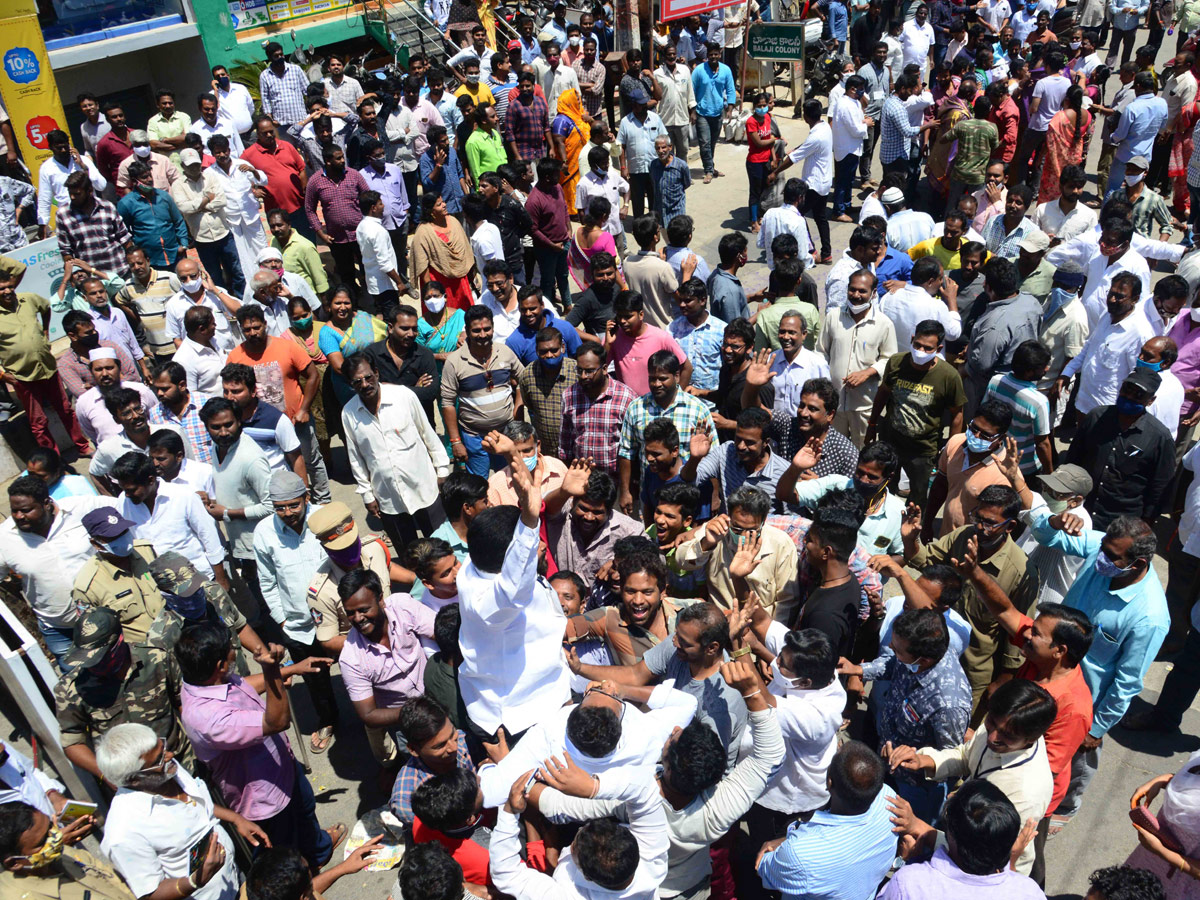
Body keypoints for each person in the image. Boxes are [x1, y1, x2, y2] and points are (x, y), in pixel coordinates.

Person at [175, 624, 343, 866]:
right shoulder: (207, 718)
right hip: (264, 798)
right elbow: (277, 721)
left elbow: (241, 686)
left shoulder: (207, 680)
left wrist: (293, 669)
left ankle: (319, 851)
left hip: (282, 767)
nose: (235, 651)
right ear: (220, 665)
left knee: (305, 813)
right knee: (282, 852)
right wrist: (272, 670)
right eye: (231, 649)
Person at [96, 723, 248, 900]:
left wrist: (235, 818)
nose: (170, 755)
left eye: (164, 748)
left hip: (235, 878)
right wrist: (194, 881)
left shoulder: (166, 770)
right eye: (159, 759)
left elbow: (195, 805)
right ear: (135, 780)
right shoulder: (123, 833)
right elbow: (150, 895)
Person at [756, 741, 901, 900]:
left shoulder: (799, 855)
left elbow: (767, 871)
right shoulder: (891, 801)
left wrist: (787, 843)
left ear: (829, 782)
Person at [341, 352, 449, 552]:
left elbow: (427, 432)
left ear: (376, 373)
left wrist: (442, 469)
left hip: (423, 487)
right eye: (357, 382)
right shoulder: (348, 413)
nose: (364, 385)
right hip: (388, 496)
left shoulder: (403, 396)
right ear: (350, 384)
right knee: (408, 551)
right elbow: (355, 457)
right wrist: (366, 494)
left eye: (368, 378)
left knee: (439, 546)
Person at [880, 780, 1045, 900]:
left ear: (950, 836)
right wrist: (1012, 862)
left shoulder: (909, 883)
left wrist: (907, 862)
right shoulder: (1030, 892)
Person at [866, 319, 966, 507]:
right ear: (912, 339)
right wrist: (872, 425)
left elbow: (957, 414)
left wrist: (950, 451)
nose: (921, 351)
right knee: (883, 488)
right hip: (891, 441)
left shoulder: (949, 376)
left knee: (918, 498)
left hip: (922, 450)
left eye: (928, 348)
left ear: (939, 348)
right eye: (917, 345)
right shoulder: (896, 362)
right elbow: (883, 393)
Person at [674, 487, 798, 619]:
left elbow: (787, 601)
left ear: (763, 521)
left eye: (751, 531)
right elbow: (682, 561)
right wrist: (706, 543)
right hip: (720, 621)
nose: (744, 536)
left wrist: (767, 634)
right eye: (737, 529)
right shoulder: (716, 530)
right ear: (729, 516)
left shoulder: (780, 543)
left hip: (760, 627)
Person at [560, 341, 638, 475]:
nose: (584, 376)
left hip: (614, 479)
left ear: (605, 369)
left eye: (590, 371)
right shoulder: (569, 396)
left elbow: (633, 447)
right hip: (581, 478)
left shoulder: (626, 397)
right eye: (579, 371)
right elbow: (565, 445)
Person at [55, 173, 133, 282]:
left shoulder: (107, 207)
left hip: (120, 273)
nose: (72, 197)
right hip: (92, 281)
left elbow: (124, 239)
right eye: (70, 194)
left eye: (77, 194)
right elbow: (66, 252)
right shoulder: (63, 215)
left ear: (89, 190)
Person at [74, 350, 157, 448]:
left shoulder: (141, 390)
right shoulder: (84, 403)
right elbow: (92, 435)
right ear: (91, 372)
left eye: (109, 368)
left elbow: (156, 419)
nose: (104, 374)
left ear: (119, 368)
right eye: (98, 369)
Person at [117, 161, 189, 269]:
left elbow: (178, 221)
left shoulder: (164, 196)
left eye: (150, 175)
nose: (149, 180)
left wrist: (183, 244)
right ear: (134, 181)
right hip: (151, 261)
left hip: (175, 255)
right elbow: (124, 232)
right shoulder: (126, 203)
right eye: (144, 177)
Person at [411, 193, 476, 312]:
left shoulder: (453, 221)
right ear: (431, 211)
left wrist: (472, 276)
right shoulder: (423, 232)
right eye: (439, 204)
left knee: (465, 312)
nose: (444, 205)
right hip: (440, 281)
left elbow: (465, 250)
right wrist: (431, 291)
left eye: (443, 202)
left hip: (460, 279)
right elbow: (422, 265)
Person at [650, 135, 692, 228]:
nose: (661, 151)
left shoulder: (681, 166)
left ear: (670, 147)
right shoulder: (653, 165)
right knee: (667, 240)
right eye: (658, 148)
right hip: (660, 213)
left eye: (663, 147)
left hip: (677, 212)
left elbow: (687, 183)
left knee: (678, 240)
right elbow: (654, 185)